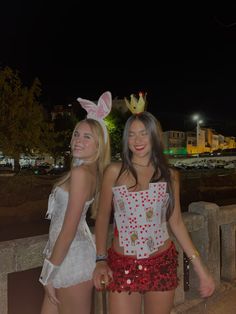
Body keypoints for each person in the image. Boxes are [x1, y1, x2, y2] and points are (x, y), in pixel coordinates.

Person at [93, 93, 215, 314]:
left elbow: (176, 222)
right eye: (131, 135)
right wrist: (100, 259)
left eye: (143, 134)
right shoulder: (114, 171)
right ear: (125, 139)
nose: (137, 141)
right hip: (123, 264)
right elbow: (102, 217)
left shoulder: (170, 175)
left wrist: (201, 269)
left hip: (161, 263)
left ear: (154, 136)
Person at [39, 91, 112, 314]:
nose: (77, 140)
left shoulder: (81, 173)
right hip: (61, 256)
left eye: (87, 137)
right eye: (76, 134)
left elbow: (68, 229)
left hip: (70, 258)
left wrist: (48, 274)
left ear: (99, 145)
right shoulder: (83, 170)